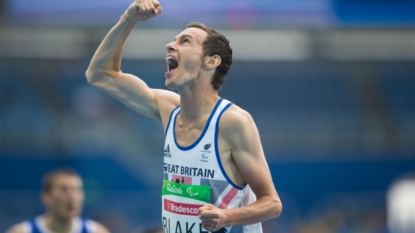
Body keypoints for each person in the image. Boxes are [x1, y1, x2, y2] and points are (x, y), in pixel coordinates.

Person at [85, 0, 282, 232]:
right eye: (174, 40)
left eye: (185, 41)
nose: (170, 44)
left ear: (211, 61)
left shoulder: (232, 122)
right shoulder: (168, 108)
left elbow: (272, 203)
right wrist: (129, 20)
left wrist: (227, 217)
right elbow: (99, 74)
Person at [6, 168, 110, 233]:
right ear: (46, 197)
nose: (71, 196)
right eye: (63, 189)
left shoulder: (96, 231)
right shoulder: (23, 231)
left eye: (76, 189)